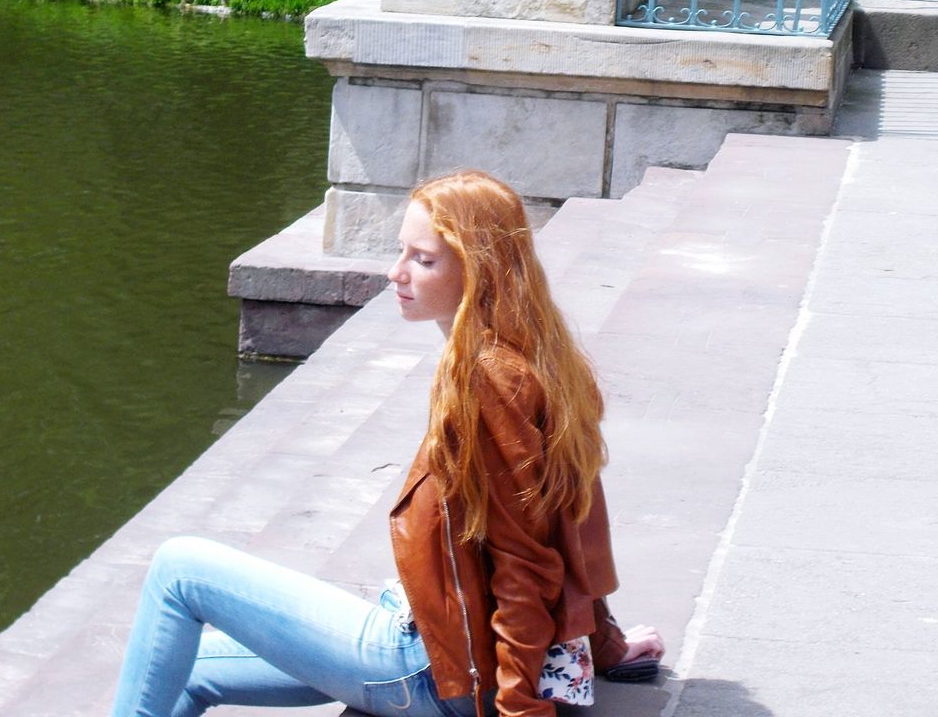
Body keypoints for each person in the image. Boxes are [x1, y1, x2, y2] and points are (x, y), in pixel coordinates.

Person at [108, 170, 663, 717]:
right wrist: (606, 644)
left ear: (481, 269)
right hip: (434, 642)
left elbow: (526, 558)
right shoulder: (541, 359)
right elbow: (570, 518)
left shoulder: (489, 379)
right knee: (177, 666)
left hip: (428, 668)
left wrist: (519, 708)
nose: (397, 273)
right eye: (402, 252)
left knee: (178, 570)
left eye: (423, 260)